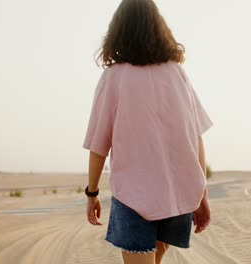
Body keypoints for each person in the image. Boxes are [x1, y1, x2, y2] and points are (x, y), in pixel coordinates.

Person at [82, 0, 213, 263]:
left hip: (133, 197)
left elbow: (99, 144)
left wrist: (92, 193)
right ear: (159, 28)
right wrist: (202, 194)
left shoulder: (114, 76)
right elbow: (195, 138)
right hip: (177, 194)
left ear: (118, 30)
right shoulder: (177, 73)